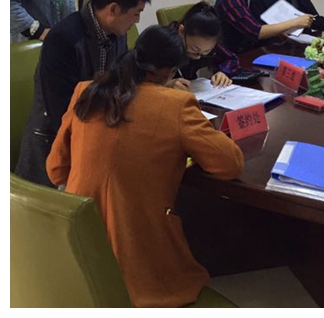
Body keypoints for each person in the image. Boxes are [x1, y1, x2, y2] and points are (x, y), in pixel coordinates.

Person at [46, 26, 244, 308]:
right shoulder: (177, 105)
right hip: (138, 250)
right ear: (169, 72)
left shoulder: (86, 90)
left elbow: (55, 167)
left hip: (78, 245)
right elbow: (230, 164)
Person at [15, 0, 151, 187]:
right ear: (113, 9)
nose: (136, 20)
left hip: (94, 134)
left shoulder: (116, 32)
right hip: (53, 148)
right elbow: (61, 109)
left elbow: (122, 78)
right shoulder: (64, 39)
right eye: (136, 13)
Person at [166, 2, 239, 89]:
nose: (198, 57)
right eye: (194, 49)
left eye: (207, 51)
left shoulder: (207, 41)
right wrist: (166, 83)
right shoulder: (164, 42)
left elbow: (230, 59)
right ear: (181, 31)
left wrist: (224, 72)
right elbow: (150, 78)